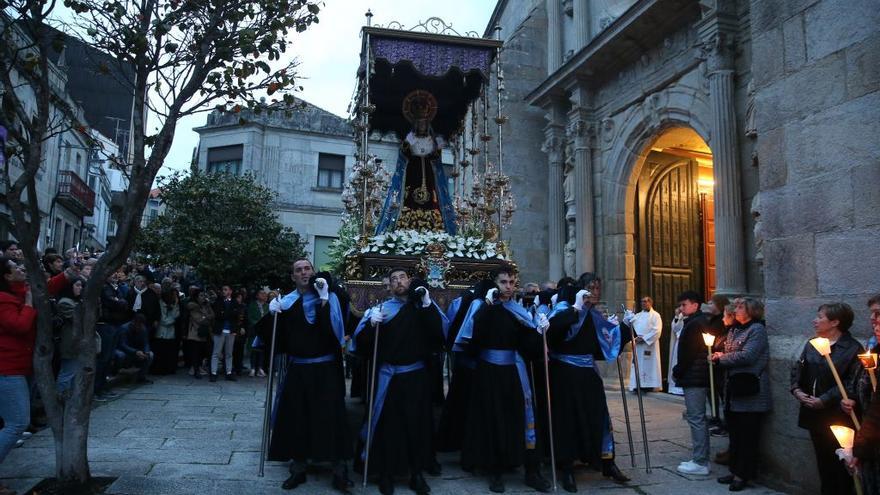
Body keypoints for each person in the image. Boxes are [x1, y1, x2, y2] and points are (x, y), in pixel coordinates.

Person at [455, 266, 553, 493]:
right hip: (489, 373)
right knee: (493, 420)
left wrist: (540, 332)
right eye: (503, 282)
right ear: (495, 283)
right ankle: (495, 471)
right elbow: (473, 341)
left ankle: (532, 471)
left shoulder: (518, 310)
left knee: (524, 418)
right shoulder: (482, 307)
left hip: (515, 372)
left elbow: (528, 348)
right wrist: (488, 307)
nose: (508, 286)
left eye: (511, 282)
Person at [260, 260, 352, 492]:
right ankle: (298, 467)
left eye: (307, 269)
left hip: (326, 370)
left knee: (331, 417)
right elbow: (273, 341)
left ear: (313, 272)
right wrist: (272, 315)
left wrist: (323, 299)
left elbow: (334, 334)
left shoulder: (331, 297)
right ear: (292, 277)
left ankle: (339, 469)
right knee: (297, 417)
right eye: (298, 270)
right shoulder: (287, 302)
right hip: (299, 369)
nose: (303, 273)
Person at [352, 267, 445, 495]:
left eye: (401, 277)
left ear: (409, 280)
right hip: (388, 378)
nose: (398, 282)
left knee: (417, 426)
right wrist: (371, 325)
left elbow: (438, 337)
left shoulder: (423, 307)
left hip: (415, 378)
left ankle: (416, 474)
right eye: (393, 279)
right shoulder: (381, 310)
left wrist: (426, 304)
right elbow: (362, 346)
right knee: (387, 428)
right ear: (389, 286)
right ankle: (385, 474)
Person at [545, 273, 630, 492]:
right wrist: (576, 308)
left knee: (599, 417)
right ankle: (567, 468)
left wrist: (625, 329)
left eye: (598, 288)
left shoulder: (595, 316)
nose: (594, 292)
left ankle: (607, 462)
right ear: (581, 289)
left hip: (588, 375)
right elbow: (552, 334)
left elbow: (604, 348)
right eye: (590, 288)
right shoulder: (566, 310)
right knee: (568, 421)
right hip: (565, 375)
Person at [791, 303, 862, 495]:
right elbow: (798, 369)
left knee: (841, 465)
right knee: (823, 462)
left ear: (835, 322)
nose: (815, 321)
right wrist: (796, 390)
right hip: (813, 414)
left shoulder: (852, 348)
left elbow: (851, 382)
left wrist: (825, 399)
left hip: (836, 416)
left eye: (820, 317)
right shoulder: (813, 343)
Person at [710, 297, 771, 492]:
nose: (736, 310)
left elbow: (748, 355)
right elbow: (730, 350)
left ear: (752, 311)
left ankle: (744, 474)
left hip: (750, 389)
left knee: (748, 435)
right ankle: (734, 468)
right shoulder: (735, 329)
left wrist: (722, 358)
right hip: (733, 390)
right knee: (735, 434)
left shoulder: (757, 330)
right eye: (736, 306)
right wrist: (720, 355)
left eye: (740, 307)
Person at [0, 257, 37, 486]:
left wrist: (69, 274)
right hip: (7, 367)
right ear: (6, 275)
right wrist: (30, 305)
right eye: (15, 267)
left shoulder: (18, 291)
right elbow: (19, 325)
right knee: (17, 423)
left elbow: (46, 286)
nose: (21, 269)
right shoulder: (3, 300)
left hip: (16, 366)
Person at [672, 290, 713, 476]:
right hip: (695, 375)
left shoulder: (696, 324)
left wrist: (678, 371)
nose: (681, 308)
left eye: (684, 304)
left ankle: (701, 461)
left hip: (695, 377)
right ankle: (699, 457)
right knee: (696, 417)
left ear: (695, 305)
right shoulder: (695, 321)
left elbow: (690, 352)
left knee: (696, 418)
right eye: (680, 305)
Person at [845, 294, 880, 495]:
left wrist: (859, 448)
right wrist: (852, 397)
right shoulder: (872, 347)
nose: (873, 319)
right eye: (872, 314)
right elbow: (861, 378)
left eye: (878, 313)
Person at [625, 295, 663, 392]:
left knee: (648, 365)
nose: (644, 303)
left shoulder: (656, 316)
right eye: (642, 301)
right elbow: (631, 327)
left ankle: (648, 385)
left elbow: (657, 330)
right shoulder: (637, 315)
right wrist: (634, 339)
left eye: (646, 301)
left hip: (649, 345)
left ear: (651, 303)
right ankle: (637, 385)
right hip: (638, 345)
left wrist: (644, 338)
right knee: (637, 364)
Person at [55, 277, 86, 392]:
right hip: (70, 342)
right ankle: (61, 399)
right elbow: (78, 319)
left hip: (79, 342)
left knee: (75, 373)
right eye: (77, 285)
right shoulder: (65, 302)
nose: (80, 288)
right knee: (67, 373)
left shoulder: (78, 301)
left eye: (81, 286)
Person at [210, 285, 242, 382]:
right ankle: (213, 373)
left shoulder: (234, 302)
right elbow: (219, 315)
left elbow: (236, 316)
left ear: (230, 291)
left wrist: (226, 314)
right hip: (220, 329)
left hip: (230, 330)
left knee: (229, 353)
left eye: (226, 289)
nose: (223, 291)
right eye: (223, 289)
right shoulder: (218, 302)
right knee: (216, 352)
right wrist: (229, 313)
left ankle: (229, 372)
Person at [115, 314, 154, 383]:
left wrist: (146, 352)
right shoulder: (124, 328)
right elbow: (122, 345)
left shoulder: (143, 329)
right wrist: (135, 351)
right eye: (137, 326)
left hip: (136, 351)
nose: (139, 328)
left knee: (150, 355)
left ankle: (141, 377)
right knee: (121, 355)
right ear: (133, 323)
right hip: (124, 350)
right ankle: (117, 372)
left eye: (140, 326)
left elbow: (146, 343)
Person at [184, 288, 213, 379]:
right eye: (201, 295)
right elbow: (200, 319)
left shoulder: (206, 305)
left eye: (204, 295)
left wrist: (206, 315)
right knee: (196, 353)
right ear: (196, 297)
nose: (203, 297)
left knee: (205, 352)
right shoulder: (193, 306)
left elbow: (212, 315)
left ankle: (201, 368)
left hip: (206, 333)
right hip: (195, 332)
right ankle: (196, 370)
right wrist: (206, 317)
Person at [150, 288, 180, 375]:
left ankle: (167, 369)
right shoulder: (160, 304)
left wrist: (176, 305)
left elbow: (176, 314)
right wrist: (173, 319)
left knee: (167, 353)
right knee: (160, 353)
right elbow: (164, 320)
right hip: (161, 333)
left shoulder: (174, 305)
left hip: (170, 334)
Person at [247, 288, 269, 377]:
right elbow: (250, 317)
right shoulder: (252, 305)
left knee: (262, 349)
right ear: (257, 295)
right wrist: (257, 324)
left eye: (264, 294)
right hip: (255, 330)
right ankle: (252, 368)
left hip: (264, 331)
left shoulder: (267, 306)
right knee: (253, 349)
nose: (263, 295)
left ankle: (260, 368)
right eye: (261, 293)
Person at [668, 308, 685, 395]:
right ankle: (675, 388)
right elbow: (675, 328)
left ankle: (682, 388)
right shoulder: (680, 316)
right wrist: (677, 317)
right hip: (679, 343)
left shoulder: (688, 317)